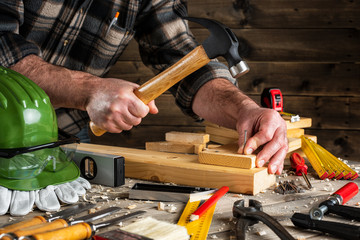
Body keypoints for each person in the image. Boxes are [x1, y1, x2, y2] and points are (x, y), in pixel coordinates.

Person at [0, 0, 287, 175]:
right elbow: (3, 47)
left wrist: (244, 110)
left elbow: (180, 57)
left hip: (60, 138)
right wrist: (88, 90)